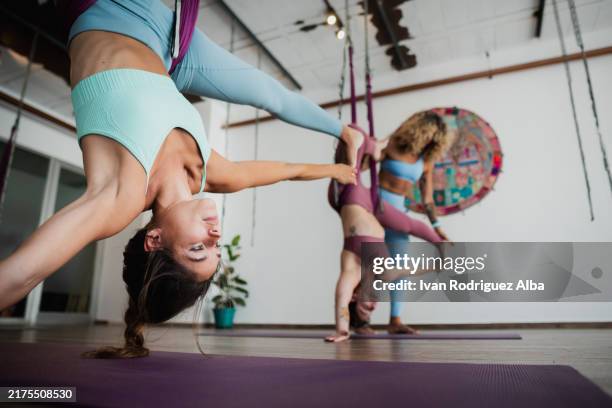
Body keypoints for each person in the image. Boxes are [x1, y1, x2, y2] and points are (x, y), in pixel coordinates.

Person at [0, 0, 361, 358]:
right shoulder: (212, 173)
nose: (216, 236)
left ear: (154, 239)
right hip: (173, 48)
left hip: (102, 9)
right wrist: (337, 169)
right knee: (271, 94)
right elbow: (287, 171)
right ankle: (347, 131)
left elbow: (21, 276)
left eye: (198, 248)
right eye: (215, 250)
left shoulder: (119, 198)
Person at [325, 125, 444, 343]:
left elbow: (341, 299)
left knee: (354, 152)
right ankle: (369, 145)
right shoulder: (373, 271)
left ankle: (365, 143)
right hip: (368, 208)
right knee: (410, 226)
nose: (373, 304)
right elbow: (406, 269)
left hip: (354, 201)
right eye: (373, 307)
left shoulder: (354, 271)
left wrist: (342, 330)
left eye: (366, 307)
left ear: (355, 297)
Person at [378, 112, 455, 334]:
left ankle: (395, 320)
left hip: (399, 215)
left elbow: (427, 199)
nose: (430, 142)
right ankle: (357, 318)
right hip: (376, 206)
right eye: (429, 136)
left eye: (435, 140)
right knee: (361, 264)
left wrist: (438, 228)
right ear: (419, 130)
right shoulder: (392, 145)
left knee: (398, 267)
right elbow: (365, 163)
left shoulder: (426, 161)